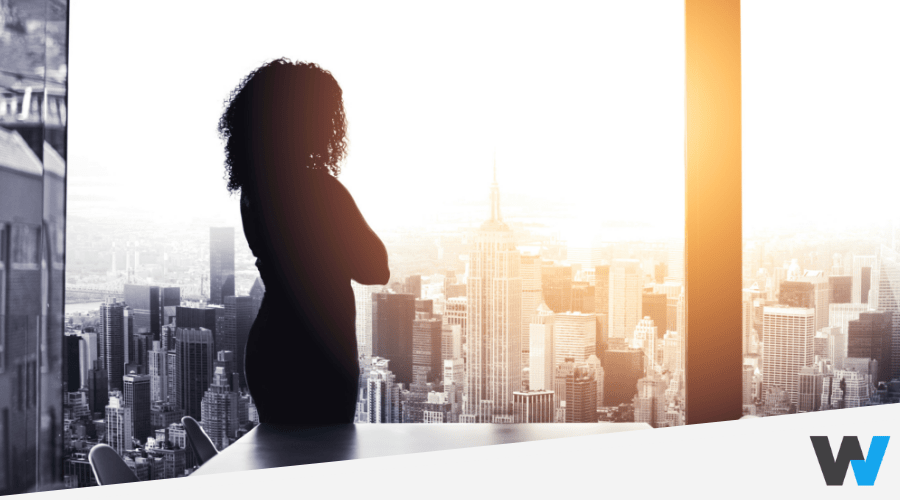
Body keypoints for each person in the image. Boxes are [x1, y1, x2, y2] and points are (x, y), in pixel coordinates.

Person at [218, 58, 389, 425]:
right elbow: (376, 268)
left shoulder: (253, 190)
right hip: (321, 349)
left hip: (273, 345)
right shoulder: (321, 189)